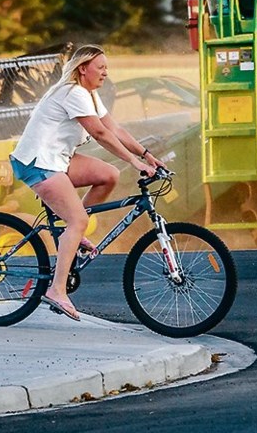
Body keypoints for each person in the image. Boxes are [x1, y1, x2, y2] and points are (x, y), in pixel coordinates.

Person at [9, 44, 163, 321]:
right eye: (101, 67)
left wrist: (147, 155)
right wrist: (134, 162)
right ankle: (57, 290)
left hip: (58, 159)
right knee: (78, 220)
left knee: (108, 175)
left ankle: (74, 233)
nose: (106, 72)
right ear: (83, 69)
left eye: (107, 67)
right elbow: (101, 133)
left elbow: (114, 128)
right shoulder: (73, 92)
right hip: (39, 163)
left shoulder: (89, 95)